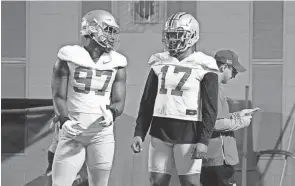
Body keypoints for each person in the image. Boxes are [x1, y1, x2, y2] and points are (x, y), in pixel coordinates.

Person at [131, 12, 219, 186]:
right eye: (169, 35)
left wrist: (203, 140)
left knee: (190, 183)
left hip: (189, 130)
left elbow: (210, 108)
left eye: (177, 35)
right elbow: (147, 101)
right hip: (160, 129)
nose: (172, 40)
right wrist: (139, 132)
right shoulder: (159, 62)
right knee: (157, 182)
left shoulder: (204, 64)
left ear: (192, 35)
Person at [51, 9, 127, 186]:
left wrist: (112, 113)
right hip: (73, 131)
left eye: (113, 31)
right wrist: (64, 120)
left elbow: (119, 101)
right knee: (60, 183)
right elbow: (58, 96)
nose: (112, 36)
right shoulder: (69, 56)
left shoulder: (118, 62)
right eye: (108, 30)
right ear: (92, 29)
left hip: (101, 134)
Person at [200, 50, 256, 186]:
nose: (235, 76)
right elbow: (213, 123)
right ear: (223, 67)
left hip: (213, 159)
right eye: (234, 71)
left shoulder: (212, 88)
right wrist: (241, 122)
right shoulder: (213, 89)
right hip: (218, 158)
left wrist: (238, 114)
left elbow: (214, 117)